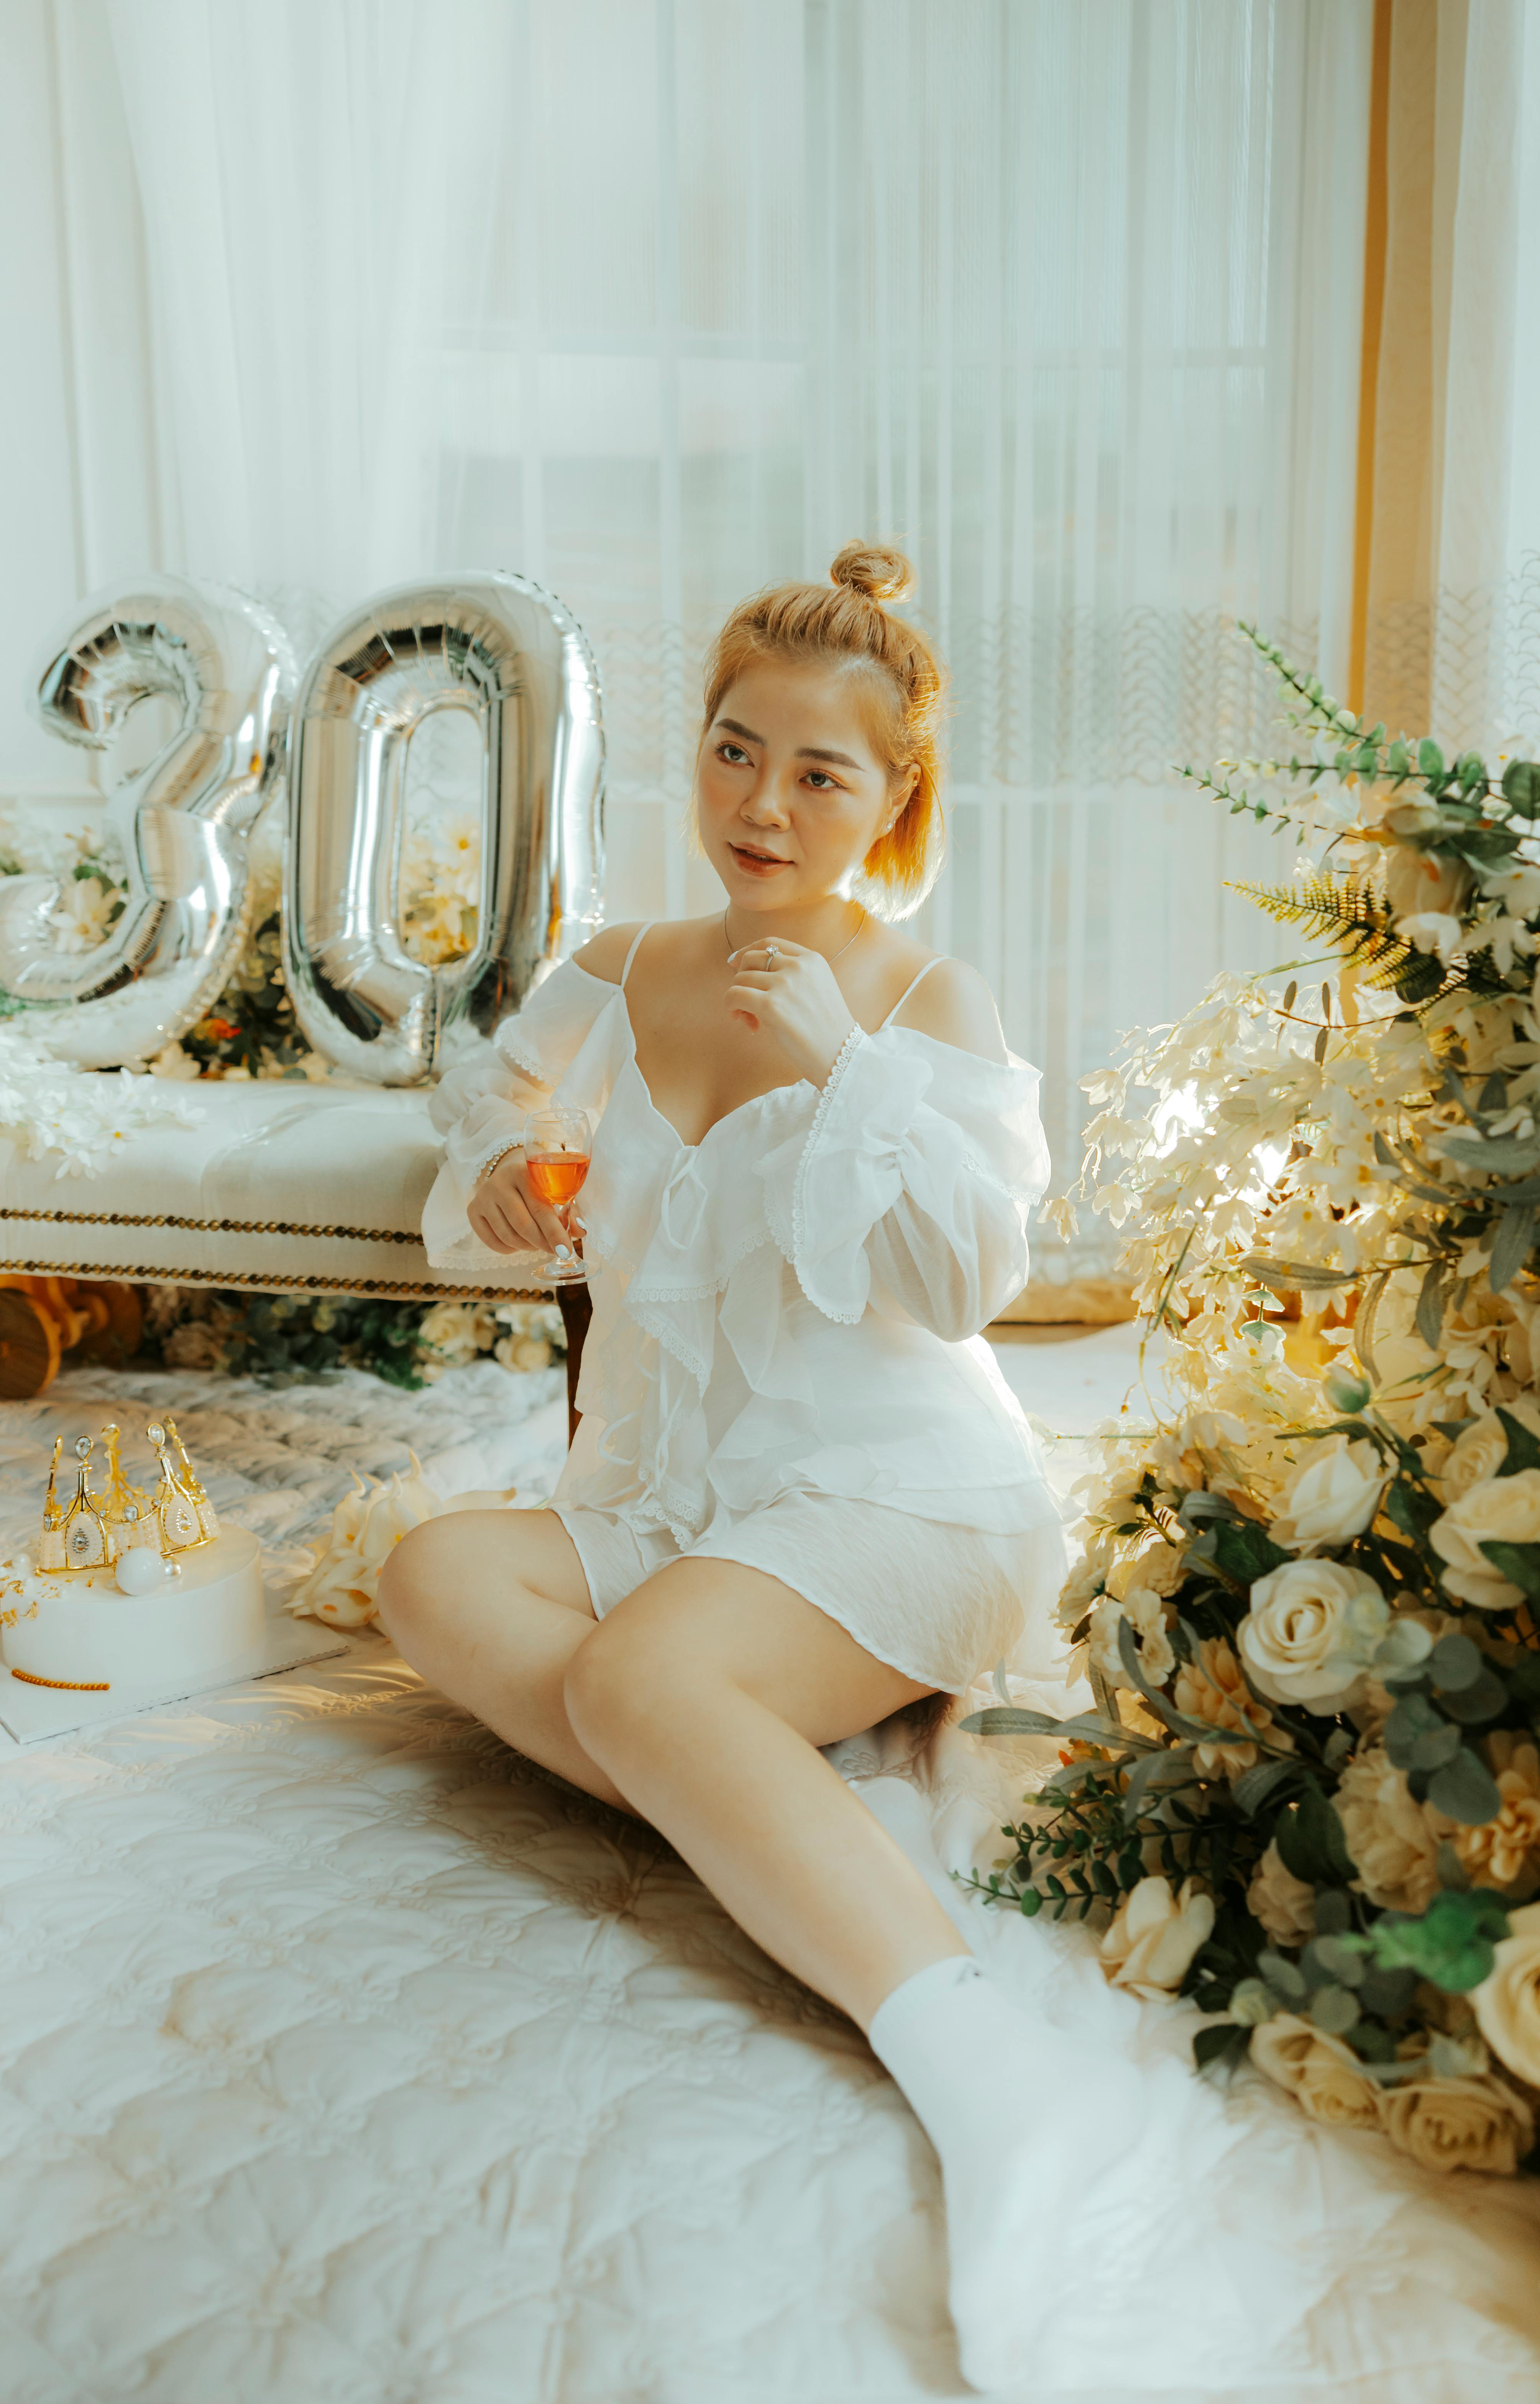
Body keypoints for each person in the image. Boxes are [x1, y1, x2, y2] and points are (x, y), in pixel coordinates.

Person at [384, 542, 1143, 2391]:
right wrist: (496, 1177)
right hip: (662, 1495)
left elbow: (969, 1282)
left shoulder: (926, 997)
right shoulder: (610, 966)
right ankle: (777, 1794)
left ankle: (996, 2079)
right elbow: (485, 1149)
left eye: (821, 773)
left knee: (641, 1676)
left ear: (895, 800)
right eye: (735, 751)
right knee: (426, 1578)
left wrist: (838, 1070)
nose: (763, 803)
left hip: (895, 1496)